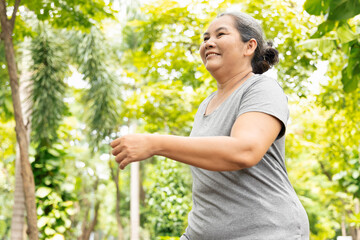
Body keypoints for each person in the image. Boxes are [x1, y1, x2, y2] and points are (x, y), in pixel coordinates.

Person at [110, 11, 309, 240]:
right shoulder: (205, 105)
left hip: (267, 231)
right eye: (205, 38)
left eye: (220, 34)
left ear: (249, 46)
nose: (209, 43)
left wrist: (155, 143)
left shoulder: (262, 89)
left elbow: (245, 150)